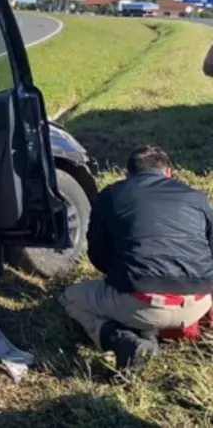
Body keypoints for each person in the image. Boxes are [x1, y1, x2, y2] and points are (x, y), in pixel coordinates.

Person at [60, 145, 213, 370]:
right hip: (197, 304)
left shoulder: (111, 195)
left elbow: (97, 254)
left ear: (127, 174)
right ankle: (150, 328)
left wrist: (122, 274)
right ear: (168, 172)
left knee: (69, 297)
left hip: (140, 301)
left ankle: (122, 340)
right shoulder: (196, 198)